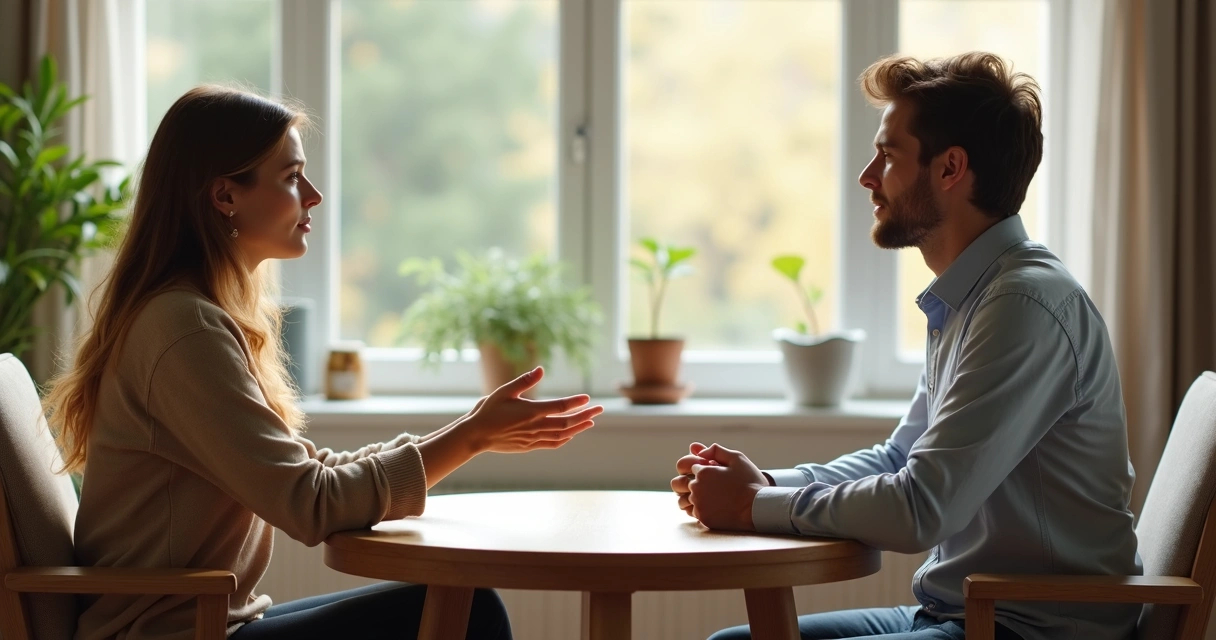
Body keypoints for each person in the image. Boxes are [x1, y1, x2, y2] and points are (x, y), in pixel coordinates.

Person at [43, 86, 603, 640]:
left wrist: (469, 429)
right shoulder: (183, 328)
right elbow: (311, 503)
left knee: (459, 602)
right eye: (290, 177)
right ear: (225, 196)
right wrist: (471, 439)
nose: (312, 195)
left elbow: (307, 473)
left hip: (214, 620)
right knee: (472, 612)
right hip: (169, 634)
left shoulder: (188, 315)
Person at [672, 52, 1141, 640]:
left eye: (889, 155)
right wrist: (767, 485)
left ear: (950, 168)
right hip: (966, 613)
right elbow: (901, 459)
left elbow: (922, 508)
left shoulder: (1023, 307)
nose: (868, 177)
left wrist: (749, 508)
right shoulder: (971, 297)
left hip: (1034, 627)